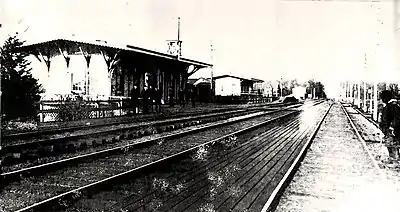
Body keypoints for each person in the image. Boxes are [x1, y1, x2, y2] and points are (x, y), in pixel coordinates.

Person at [379, 90, 400, 163]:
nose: (382, 100)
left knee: (393, 145)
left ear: (386, 98)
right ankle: (393, 159)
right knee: (390, 145)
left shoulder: (393, 106)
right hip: (388, 130)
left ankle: (395, 160)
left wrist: (392, 127)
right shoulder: (389, 105)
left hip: (392, 131)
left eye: (382, 98)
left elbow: (397, 118)